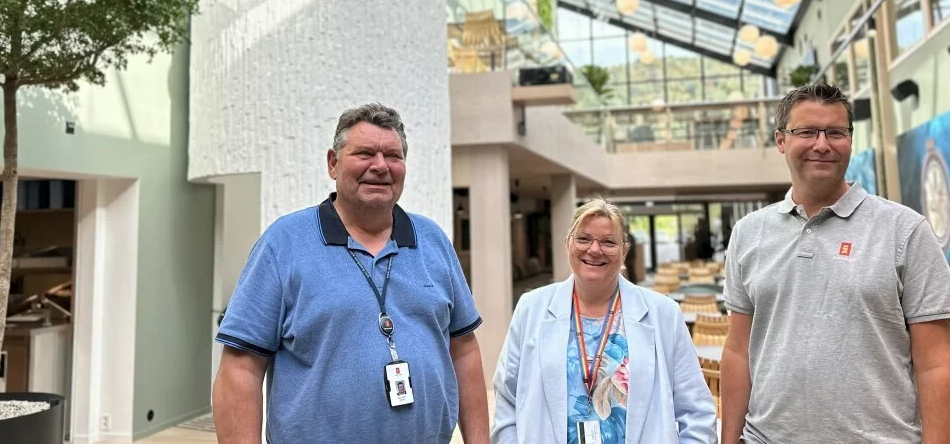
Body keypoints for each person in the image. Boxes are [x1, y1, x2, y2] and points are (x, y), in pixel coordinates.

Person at [212, 103, 489, 443]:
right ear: (333, 163)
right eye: (365, 153)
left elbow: (463, 349)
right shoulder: (284, 243)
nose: (380, 166)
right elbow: (240, 368)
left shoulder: (432, 240)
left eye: (393, 155)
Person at [721, 84, 950, 444]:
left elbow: (936, 363)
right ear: (781, 140)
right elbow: (738, 351)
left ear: (851, 140)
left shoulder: (905, 230)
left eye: (836, 132)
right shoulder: (748, 233)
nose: (822, 144)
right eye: (806, 132)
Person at [491, 199, 717, 444]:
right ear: (568, 243)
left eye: (608, 242)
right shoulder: (531, 308)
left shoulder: (664, 314)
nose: (594, 249)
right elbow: (506, 402)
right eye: (584, 238)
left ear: (624, 251)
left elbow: (697, 413)